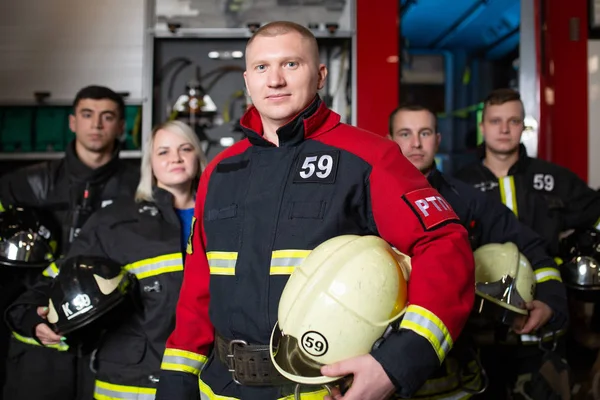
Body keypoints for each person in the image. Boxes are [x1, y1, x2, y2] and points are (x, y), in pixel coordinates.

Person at [155, 21, 475, 400]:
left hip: (323, 390)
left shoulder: (369, 158)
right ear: (247, 80)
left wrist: (399, 360)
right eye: (261, 67)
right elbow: (198, 288)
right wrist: (177, 379)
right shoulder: (219, 172)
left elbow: (444, 244)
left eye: (291, 64)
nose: (274, 80)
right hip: (220, 389)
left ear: (320, 75)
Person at [6, 120, 207, 399]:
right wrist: (31, 316)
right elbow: (61, 277)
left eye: (185, 148)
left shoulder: (222, 218)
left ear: (199, 156)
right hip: (132, 382)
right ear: (149, 162)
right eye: (163, 151)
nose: (175, 157)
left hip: (207, 380)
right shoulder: (114, 222)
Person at [388, 104, 569, 399]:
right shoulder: (363, 195)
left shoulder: (467, 200)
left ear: (438, 139)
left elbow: (531, 245)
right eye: (405, 134)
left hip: (457, 371)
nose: (416, 144)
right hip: (381, 371)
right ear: (390, 139)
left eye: (425, 133)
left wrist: (550, 300)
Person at [1, 85, 140, 400]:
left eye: (108, 117)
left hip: (109, 347)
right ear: (72, 122)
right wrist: (23, 316)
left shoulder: (139, 187)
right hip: (37, 351)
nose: (96, 125)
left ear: (121, 126)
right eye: (87, 115)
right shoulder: (25, 184)